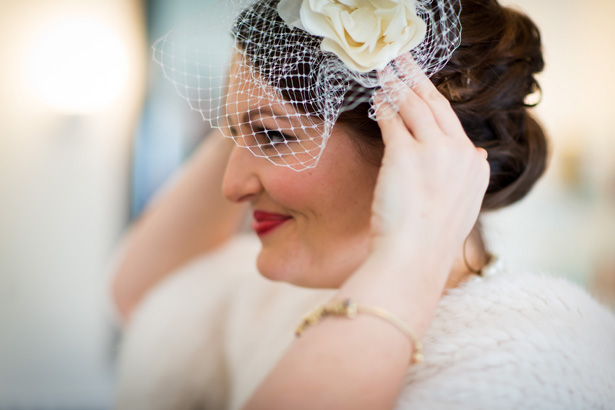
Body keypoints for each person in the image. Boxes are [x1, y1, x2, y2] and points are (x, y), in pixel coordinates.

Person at [111, 0, 615, 409]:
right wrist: (258, 93)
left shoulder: (533, 367)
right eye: (232, 136)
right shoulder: (298, 290)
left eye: (271, 135)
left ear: (414, 143)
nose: (232, 185)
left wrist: (410, 253)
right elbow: (147, 299)